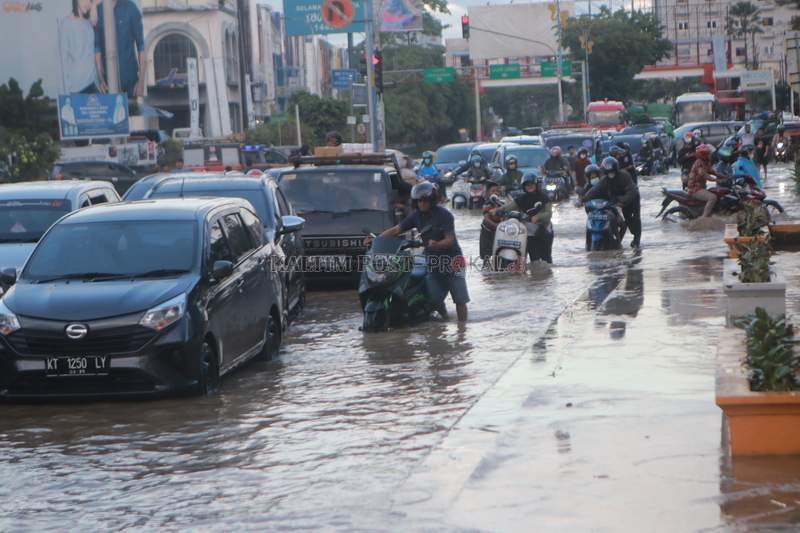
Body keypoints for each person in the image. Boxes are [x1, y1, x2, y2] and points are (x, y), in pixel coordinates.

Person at [379, 182, 469, 322]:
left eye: (424, 200)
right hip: (432, 262)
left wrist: (438, 244)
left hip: (452, 262)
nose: (422, 204)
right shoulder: (416, 216)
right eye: (419, 201)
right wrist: (377, 239)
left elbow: (450, 240)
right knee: (434, 298)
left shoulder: (445, 215)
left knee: (460, 300)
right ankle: (445, 319)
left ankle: (463, 330)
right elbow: (397, 230)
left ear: (432, 200)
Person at [494, 173, 554, 263]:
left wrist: (538, 217)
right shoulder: (521, 199)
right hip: (529, 232)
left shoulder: (544, 197)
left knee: (546, 258)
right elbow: (508, 207)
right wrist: (497, 211)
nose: (529, 186)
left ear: (536, 185)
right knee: (535, 259)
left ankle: (547, 275)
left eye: (531, 184)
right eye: (527, 185)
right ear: (523, 187)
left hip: (545, 230)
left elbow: (549, 213)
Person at [584, 157, 641, 247]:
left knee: (632, 220)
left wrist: (622, 201)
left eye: (612, 172)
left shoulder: (624, 176)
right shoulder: (604, 180)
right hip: (615, 201)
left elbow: (632, 192)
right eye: (609, 173)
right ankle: (615, 242)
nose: (611, 174)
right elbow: (594, 190)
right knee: (621, 219)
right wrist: (582, 199)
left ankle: (636, 240)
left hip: (632, 200)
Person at [95, 0, 145, 98]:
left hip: (131, 85)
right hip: (108, 86)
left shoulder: (131, 8)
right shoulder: (98, 11)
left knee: (132, 112)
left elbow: (141, 47)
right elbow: (97, 51)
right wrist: (101, 80)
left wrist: (141, 82)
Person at [60, 0, 99, 94]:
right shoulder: (66, 24)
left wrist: (94, 5)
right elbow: (63, 61)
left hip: (92, 82)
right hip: (76, 87)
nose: (87, 3)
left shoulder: (89, 22)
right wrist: (65, 93)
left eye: (90, 0)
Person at [687, 144, 723, 218]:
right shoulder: (699, 163)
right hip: (695, 189)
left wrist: (725, 177)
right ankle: (704, 217)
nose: (709, 155)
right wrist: (716, 180)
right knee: (713, 197)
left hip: (702, 187)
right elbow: (705, 175)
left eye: (708, 153)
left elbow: (713, 172)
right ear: (702, 154)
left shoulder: (706, 162)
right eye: (706, 153)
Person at [479, 180, 503, 263]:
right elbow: (486, 218)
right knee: (486, 255)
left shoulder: (502, 203)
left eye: (497, 191)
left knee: (499, 253)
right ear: (488, 193)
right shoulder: (487, 204)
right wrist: (497, 225)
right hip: (487, 231)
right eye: (493, 191)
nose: (496, 193)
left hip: (499, 231)